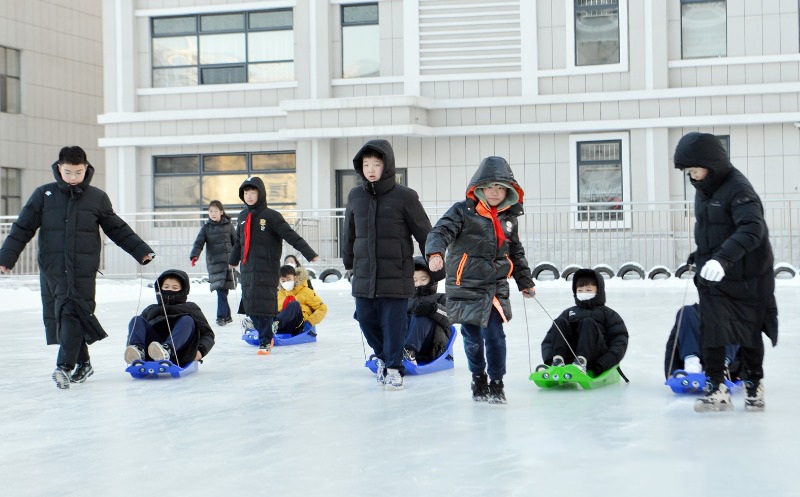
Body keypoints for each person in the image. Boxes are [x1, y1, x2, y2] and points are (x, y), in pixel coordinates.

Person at [0, 146, 154, 389]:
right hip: (53, 268)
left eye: (78, 172)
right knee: (66, 314)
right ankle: (84, 363)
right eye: (68, 172)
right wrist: (6, 257)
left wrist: (140, 250)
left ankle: (64, 366)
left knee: (71, 312)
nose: (73, 178)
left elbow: (116, 228)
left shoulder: (97, 197)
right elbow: (22, 228)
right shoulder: (44, 195)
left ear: (86, 169)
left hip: (83, 269)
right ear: (59, 168)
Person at [674, 132, 778, 412]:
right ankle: (717, 388)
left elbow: (752, 229)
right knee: (712, 330)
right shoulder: (704, 189)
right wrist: (701, 256)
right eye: (689, 172)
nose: (693, 176)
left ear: (712, 164)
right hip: (717, 275)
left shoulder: (739, 189)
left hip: (748, 276)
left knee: (748, 331)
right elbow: (712, 229)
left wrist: (722, 260)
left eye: (696, 170)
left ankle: (754, 386)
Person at [426, 156, 535, 404]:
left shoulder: (508, 218)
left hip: (495, 286)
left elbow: (515, 251)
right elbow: (440, 231)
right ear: (479, 188)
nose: (495, 192)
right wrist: (435, 253)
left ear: (509, 191)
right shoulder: (462, 211)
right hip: (465, 285)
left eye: (501, 188)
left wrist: (525, 281)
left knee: (495, 336)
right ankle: (478, 377)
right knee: (473, 338)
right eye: (490, 187)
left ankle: (497, 382)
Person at [342, 139, 431, 390]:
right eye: (366, 164)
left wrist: (435, 259)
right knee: (365, 319)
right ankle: (383, 357)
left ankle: (393, 368)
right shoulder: (355, 195)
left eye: (376, 164)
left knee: (393, 325)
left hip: (396, 274)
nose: (371, 169)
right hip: (364, 273)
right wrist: (349, 261)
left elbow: (424, 232)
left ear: (387, 165)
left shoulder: (405, 196)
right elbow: (349, 232)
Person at [229, 176, 318, 355]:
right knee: (249, 305)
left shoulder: (271, 216)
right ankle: (262, 328)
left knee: (264, 305)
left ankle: (265, 339)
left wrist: (309, 253)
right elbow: (239, 242)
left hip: (267, 268)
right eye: (246, 193)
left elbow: (291, 236)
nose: (249, 196)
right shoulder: (242, 216)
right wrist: (233, 260)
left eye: (253, 192)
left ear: (261, 193)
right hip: (247, 268)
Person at [541, 269, 628, 376]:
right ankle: (558, 361)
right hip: (570, 357)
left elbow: (619, 342)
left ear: (598, 291)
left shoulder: (608, 314)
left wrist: (602, 364)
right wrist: (549, 359)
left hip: (595, 357)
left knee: (588, 323)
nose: (584, 293)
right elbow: (549, 340)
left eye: (588, 290)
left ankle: (581, 361)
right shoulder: (568, 313)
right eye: (580, 290)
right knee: (559, 322)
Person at [124, 269, 214, 366]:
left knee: (187, 320)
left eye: (175, 287)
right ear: (160, 288)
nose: (170, 290)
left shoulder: (190, 308)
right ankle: (138, 352)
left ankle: (167, 350)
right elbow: (137, 331)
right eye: (166, 287)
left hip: (179, 353)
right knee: (137, 320)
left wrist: (200, 351)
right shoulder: (151, 309)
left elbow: (207, 334)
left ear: (183, 290)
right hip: (152, 351)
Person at [190, 200, 237, 326]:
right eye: (210, 211)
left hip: (228, 263)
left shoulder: (229, 226)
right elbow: (199, 243)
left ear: (221, 212)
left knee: (223, 291)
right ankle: (222, 317)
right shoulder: (206, 228)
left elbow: (236, 243)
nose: (213, 213)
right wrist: (194, 255)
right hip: (215, 264)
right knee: (220, 290)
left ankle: (226, 316)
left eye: (215, 211)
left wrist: (237, 258)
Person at [664, 304, 739, 378]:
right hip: (693, 363)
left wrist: (741, 374)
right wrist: (672, 371)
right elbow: (673, 344)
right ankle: (692, 365)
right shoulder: (691, 313)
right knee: (686, 311)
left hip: (725, 365)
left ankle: (721, 368)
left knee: (732, 315)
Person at [404, 256, 450, 365]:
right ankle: (396, 352)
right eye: (414, 280)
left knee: (422, 314)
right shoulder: (404, 300)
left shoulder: (440, 298)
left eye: (423, 279)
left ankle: (409, 351)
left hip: (431, 344)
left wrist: (433, 309)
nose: (419, 283)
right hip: (404, 340)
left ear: (431, 279)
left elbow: (451, 316)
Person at [274, 265, 327, 336]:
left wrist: (310, 322)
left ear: (295, 277)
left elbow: (322, 308)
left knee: (294, 304)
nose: (286, 282)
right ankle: (270, 326)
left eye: (289, 279)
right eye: (283, 281)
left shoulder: (306, 292)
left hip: (298, 325)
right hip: (283, 325)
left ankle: (274, 326)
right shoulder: (279, 294)